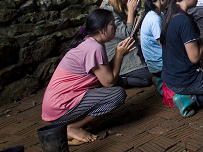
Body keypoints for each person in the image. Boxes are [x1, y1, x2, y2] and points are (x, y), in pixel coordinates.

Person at [42, 8, 135, 143]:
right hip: (59, 109)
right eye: (112, 24)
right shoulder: (94, 47)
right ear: (101, 30)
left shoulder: (92, 42)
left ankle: (79, 120)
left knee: (119, 81)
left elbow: (106, 73)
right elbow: (108, 82)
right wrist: (119, 55)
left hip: (55, 107)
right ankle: (73, 127)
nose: (115, 27)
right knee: (117, 94)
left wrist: (118, 53)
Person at [103, 0, 154, 87]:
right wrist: (130, 11)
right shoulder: (107, 11)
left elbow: (131, 27)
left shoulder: (116, 7)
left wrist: (134, 10)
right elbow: (128, 34)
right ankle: (119, 80)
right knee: (148, 79)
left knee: (152, 73)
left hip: (127, 49)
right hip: (117, 55)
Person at [140, 0, 169, 82]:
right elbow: (164, 45)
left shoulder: (159, 14)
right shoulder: (154, 19)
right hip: (159, 66)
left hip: (159, 63)